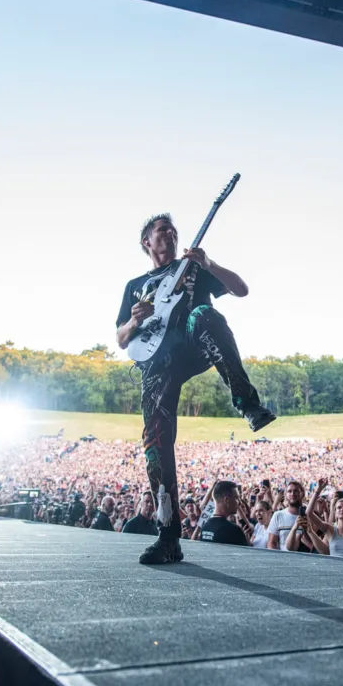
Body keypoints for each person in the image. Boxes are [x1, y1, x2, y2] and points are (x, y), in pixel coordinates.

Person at [116, 213, 274, 565]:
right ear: (147, 242)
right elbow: (122, 338)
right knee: (155, 445)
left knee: (204, 314)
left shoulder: (193, 267)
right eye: (161, 231)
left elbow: (241, 289)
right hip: (157, 361)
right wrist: (134, 320)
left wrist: (209, 263)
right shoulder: (135, 285)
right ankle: (168, 536)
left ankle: (246, 402)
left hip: (191, 343)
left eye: (172, 231)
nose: (169, 234)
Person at [200, 481, 249, 546]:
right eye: (237, 498)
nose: (240, 502)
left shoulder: (204, 527)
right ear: (227, 500)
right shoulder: (234, 531)